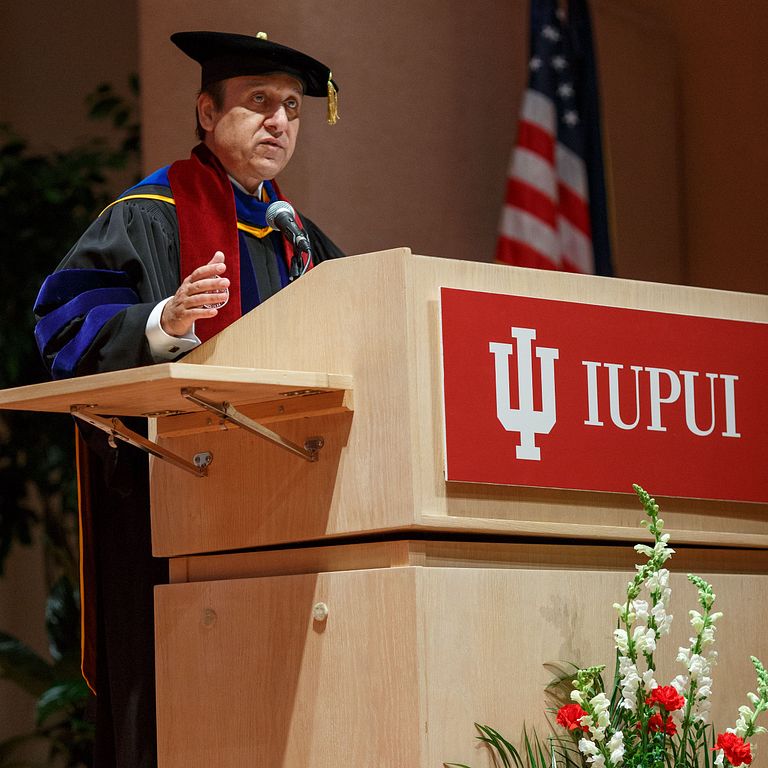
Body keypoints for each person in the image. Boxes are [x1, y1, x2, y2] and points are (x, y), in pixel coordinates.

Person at [33, 31, 344, 768]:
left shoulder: (301, 241)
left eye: (294, 108)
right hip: (164, 499)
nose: (280, 122)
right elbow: (59, 323)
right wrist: (161, 323)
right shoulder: (150, 215)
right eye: (259, 102)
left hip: (287, 502)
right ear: (207, 112)